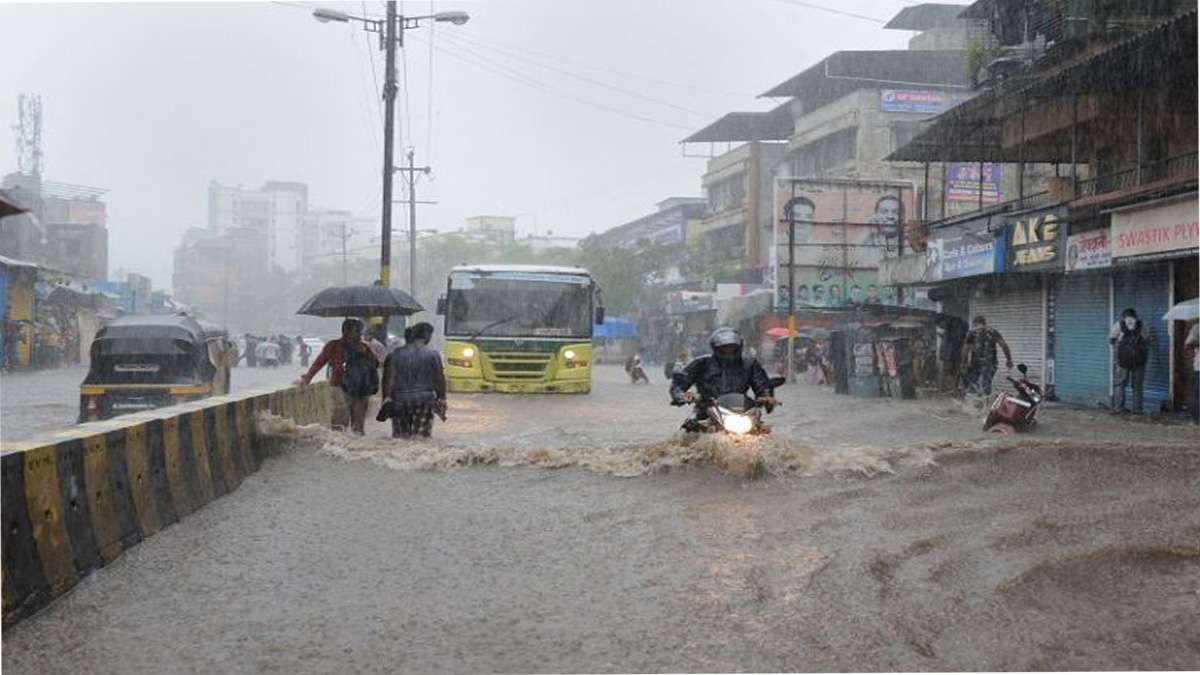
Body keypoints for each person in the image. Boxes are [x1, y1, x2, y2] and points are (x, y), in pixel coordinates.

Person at [670, 327, 777, 425]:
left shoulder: (749, 364)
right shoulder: (701, 363)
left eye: (732, 347)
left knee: (762, 431)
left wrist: (766, 397)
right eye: (724, 347)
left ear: (739, 347)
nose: (728, 350)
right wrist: (683, 396)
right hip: (706, 410)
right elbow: (679, 384)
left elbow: (762, 385)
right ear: (716, 348)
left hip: (741, 411)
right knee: (691, 429)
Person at [299, 318, 380, 434]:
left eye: (359, 332)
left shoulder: (364, 347)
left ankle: (357, 445)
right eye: (356, 331)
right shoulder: (334, 346)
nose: (359, 335)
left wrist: (363, 353)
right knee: (341, 413)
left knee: (358, 422)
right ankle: (337, 442)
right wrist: (307, 378)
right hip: (339, 385)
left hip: (361, 387)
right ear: (345, 331)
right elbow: (319, 362)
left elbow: (375, 364)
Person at [381, 322, 447, 439]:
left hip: (400, 399)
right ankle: (417, 457)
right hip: (424, 400)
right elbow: (439, 379)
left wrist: (387, 398)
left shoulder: (395, 355)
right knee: (420, 438)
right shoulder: (432, 355)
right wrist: (442, 398)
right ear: (426, 335)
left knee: (400, 437)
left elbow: (388, 379)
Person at [1110, 307, 1149, 414]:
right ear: (1136, 316)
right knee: (1137, 386)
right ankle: (1137, 410)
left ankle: (1119, 408)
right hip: (1139, 361)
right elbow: (1146, 340)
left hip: (1122, 360)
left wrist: (1119, 340)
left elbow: (1112, 340)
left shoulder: (1119, 325)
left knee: (1120, 384)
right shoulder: (1142, 325)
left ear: (1123, 317)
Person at [960, 316, 1013, 396]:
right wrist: (1009, 360)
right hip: (991, 364)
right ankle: (985, 402)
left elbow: (965, 349)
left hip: (976, 364)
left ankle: (973, 404)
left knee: (972, 385)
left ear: (975, 323)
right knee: (986, 384)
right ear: (984, 323)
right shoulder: (993, 332)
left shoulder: (972, 333)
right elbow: (1004, 345)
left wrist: (964, 363)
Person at [1184, 321, 1199, 423]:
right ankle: (1196, 418)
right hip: (1199, 367)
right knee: (1197, 394)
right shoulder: (1197, 328)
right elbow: (1187, 345)